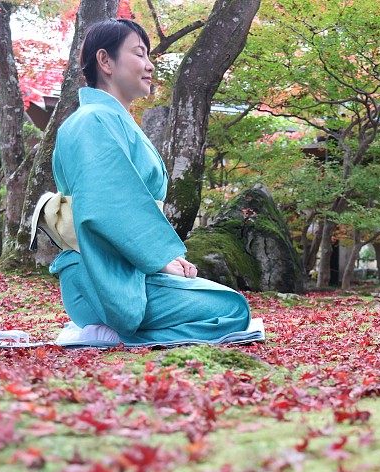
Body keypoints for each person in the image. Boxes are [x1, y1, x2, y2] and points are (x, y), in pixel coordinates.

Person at [48, 18, 251, 346]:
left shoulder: (110, 119)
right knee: (232, 310)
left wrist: (160, 259)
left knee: (230, 306)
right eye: (139, 54)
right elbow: (105, 205)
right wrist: (158, 259)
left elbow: (126, 207)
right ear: (105, 61)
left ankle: (108, 332)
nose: (149, 65)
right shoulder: (92, 120)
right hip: (98, 275)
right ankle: (106, 333)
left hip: (121, 268)